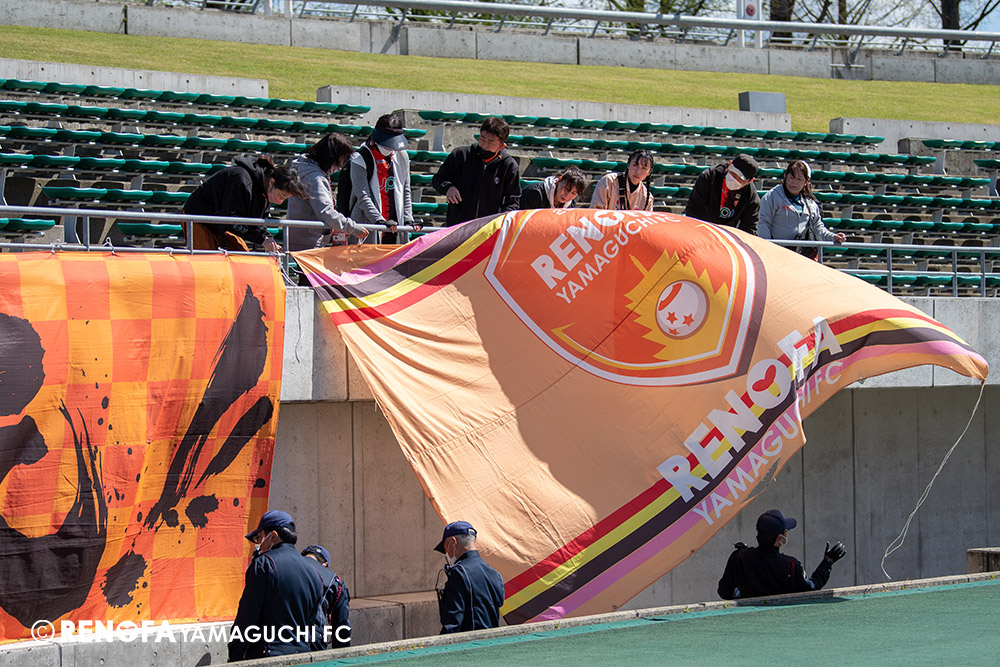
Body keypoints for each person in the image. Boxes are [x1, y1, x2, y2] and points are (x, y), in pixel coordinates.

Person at [228, 510, 325, 661]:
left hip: (268, 656)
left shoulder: (263, 564)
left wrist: (235, 654)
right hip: (302, 656)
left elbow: (247, 616)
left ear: (273, 536)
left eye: (259, 538)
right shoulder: (314, 572)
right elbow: (313, 622)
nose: (259, 544)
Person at [183, 155, 308, 252]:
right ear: (272, 182)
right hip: (198, 217)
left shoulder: (265, 192)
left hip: (221, 224)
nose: (280, 202)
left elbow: (258, 224)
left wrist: (269, 239)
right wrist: (261, 239)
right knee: (208, 262)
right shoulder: (242, 180)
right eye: (281, 196)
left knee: (241, 257)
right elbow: (230, 219)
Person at [717, 509, 847, 600]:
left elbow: (724, 591)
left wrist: (744, 597)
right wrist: (827, 563)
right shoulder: (791, 565)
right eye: (786, 532)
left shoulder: (739, 557)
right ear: (780, 538)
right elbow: (811, 589)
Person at [286, 133, 369, 251]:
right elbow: (326, 211)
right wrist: (352, 227)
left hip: (300, 238)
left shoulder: (303, 169)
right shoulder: (315, 178)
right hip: (309, 242)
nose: (340, 166)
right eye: (340, 161)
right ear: (331, 158)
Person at [432, 116, 521, 226]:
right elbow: (438, 179)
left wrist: (501, 223)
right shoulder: (460, 155)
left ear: (502, 146)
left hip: (489, 229)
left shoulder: (509, 166)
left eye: (491, 141)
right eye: (482, 138)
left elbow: (512, 201)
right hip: (458, 225)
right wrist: (448, 188)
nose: (485, 145)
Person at [349, 113, 419, 244]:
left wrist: (408, 218)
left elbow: (405, 190)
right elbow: (363, 196)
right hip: (369, 225)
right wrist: (379, 221)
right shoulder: (360, 157)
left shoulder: (402, 155)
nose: (389, 148)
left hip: (395, 224)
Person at [759, 160, 846, 258]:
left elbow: (817, 227)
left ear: (806, 182)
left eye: (799, 179)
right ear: (785, 177)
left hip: (802, 256)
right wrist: (767, 248)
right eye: (791, 178)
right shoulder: (771, 197)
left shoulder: (811, 203)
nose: (794, 182)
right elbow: (763, 222)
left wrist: (833, 237)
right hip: (777, 254)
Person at [433, 520, 505, 634]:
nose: (447, 553)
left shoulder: (459, 573)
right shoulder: (494, 573)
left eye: (446, 547)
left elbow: (452, 623)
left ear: (453, 542)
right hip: (492, 641)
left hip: (469, 643)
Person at [684, 153, 760, 235]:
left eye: (740, 179)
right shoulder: (710, 177)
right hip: (703, 230)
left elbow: (750, 228)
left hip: (729, 235)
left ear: (750, 181)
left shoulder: (751, 196)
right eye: (733, 174)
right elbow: (694, 209)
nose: (734, 179)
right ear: (730, 164)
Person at [301, 544, 351, 649]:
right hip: (313, 639)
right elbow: (341, 625)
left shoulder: (287, 568)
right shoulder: (334, 580)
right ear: (325, 564)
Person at [590, 149, 655, 211]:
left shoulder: (647, 197)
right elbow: (596, 213)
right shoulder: (608, 182)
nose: (638, 171)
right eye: (635, 165)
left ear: (649, 172)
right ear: (628, 165)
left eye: (644, 168)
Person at [520, 167, 588, 210]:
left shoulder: (571, 203)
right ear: (558, 181)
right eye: (566, 189)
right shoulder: (534, 194)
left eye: (573, 193)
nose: (567, 195)